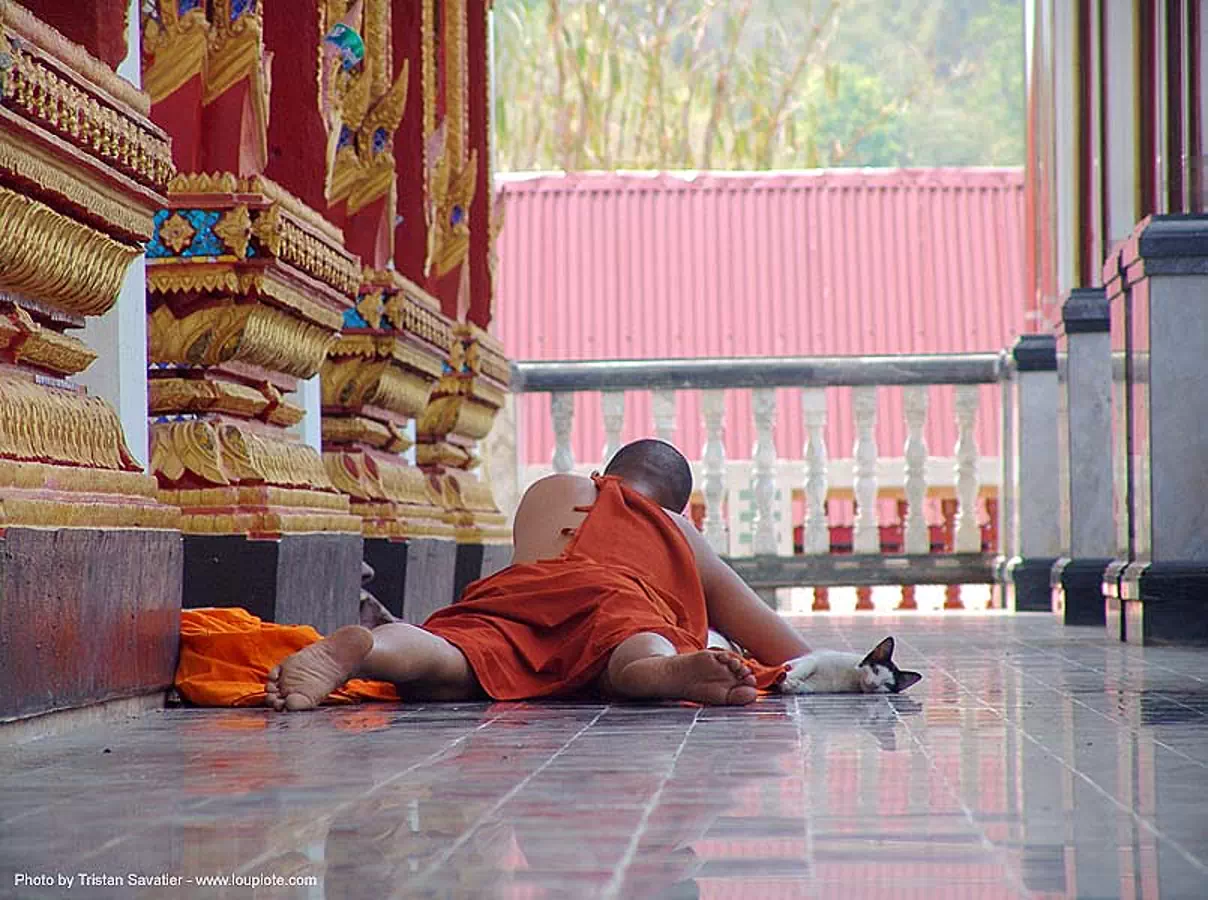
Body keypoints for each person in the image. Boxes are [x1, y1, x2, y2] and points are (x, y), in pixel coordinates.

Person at [265, 439, 812, 711]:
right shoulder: (677, 531)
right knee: (636, 641)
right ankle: (657, 670)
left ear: (609, 471)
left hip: (518, 599)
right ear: (675, 506)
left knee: (461, 654)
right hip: (616, 605)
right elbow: (785, 648)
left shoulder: (550, 491)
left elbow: (545, 568)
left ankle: (372, 649)